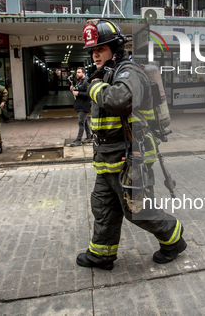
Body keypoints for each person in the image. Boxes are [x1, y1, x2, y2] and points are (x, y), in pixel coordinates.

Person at [76, 19, 186, 271]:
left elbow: (119, 100)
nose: (95, 54)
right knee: (103, 208)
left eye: (100, 49)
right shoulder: (108, 74)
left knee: (138, 210)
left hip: (129, 157)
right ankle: (100, 255)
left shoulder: (129, 72)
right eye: (93, 50)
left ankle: (174, 240)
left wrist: (93, 87)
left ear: (115, 48)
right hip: (107, 158)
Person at [70, 67, 92, 147]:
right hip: (79, 105)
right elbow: (77, 90)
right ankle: (89, 136)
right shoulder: (79, 81)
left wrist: (78, 93)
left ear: (83, 73)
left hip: (84, 105)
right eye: (77, 72)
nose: (77, 74)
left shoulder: (86, 82)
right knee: (85, 121)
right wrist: (72, 89)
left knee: (81, 122)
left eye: (79, 72)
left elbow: (89, 93)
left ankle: (78, 140)